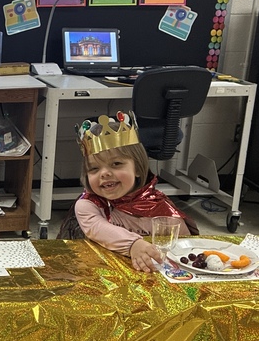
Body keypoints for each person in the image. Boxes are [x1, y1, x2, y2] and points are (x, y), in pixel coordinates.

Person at [60, 112, 198, 272]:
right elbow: (98, 228)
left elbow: (184, 250)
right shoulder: (88, 205)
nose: (104, 173)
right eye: (94, 168)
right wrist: (134, 245)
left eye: (116, 163)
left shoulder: (162, 210)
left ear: (138, 169)